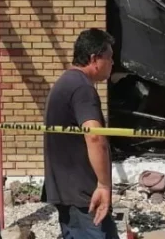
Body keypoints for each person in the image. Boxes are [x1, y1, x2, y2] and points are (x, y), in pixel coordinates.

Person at [42, 28, 119, 239]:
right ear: (95, 59)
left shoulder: (66, 82)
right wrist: (104, 185)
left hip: (69, 192)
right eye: (110, 58)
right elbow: (94, 136)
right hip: (83, 196)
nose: (112, 63)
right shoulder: (82, 89)